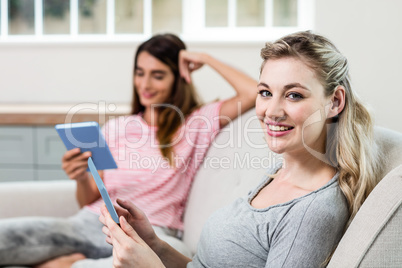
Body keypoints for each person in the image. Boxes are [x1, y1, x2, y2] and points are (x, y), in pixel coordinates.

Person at [99, 31, 383, 268]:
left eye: (294, 95)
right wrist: (155, 246)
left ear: (335, 102)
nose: (272, 111)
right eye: (265, 93)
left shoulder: (312, 211)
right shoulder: (278, 175)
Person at [0, 34, 257, 267]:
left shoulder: (196, 124)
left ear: (179, 79)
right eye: (139, 72)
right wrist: (80, 176)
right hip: (91, 224)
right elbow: (88, 199)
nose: (145, 84)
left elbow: (253, 92)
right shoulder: (116, 128)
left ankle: (71, 263)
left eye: (157, 75)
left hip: (151, 232)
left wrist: (206, 59)